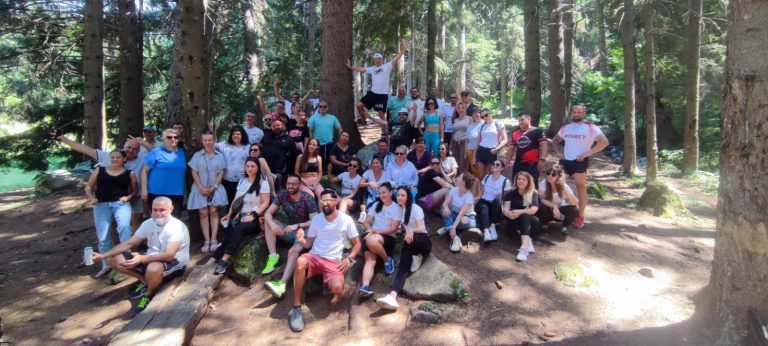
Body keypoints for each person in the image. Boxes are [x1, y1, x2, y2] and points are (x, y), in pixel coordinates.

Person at [92, 197, 190, 317]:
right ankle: (146, 282)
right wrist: (103, 255)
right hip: (150, 257)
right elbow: (129, 243)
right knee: (115, 260)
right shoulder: (148, 224)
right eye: (155, 210)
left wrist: (143, 259)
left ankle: (148, 294)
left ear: (171, 209)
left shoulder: (176, 227)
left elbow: (169, 255)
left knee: (153, 268)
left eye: (162, 210)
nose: (158, 213)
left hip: (175, 262)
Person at [289, 189, 362, 333]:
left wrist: (349, 258)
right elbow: (309, 244)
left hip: (333, 261)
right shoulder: (317, 219)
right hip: (314, 256)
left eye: (327, 200)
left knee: (337, 288)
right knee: (300, 262)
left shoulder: (346, 220)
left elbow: (358, 244)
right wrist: (301, 239)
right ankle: (296, 307)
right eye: (322, 201)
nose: (324, 204)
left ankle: (326, 283)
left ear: (336, 202)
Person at [55, 133, 145, 230]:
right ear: (124, 147)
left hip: (135, 195)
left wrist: (143, 142)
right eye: (129, 147)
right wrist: (65, 140)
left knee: (135, 222)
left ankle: (136, 244)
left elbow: (159, 153)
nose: (131, 150)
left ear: (138, 152)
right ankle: (116, 245)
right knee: (112, 224)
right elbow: (85, 149)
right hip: (111, 197)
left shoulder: (143, 158)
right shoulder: (109, 156)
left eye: (135, 149)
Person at [552, 105, 609, 228]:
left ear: (584, 114)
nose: (576, 115)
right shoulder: (566, 128)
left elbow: (604, 142)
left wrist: (587, 153)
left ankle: (580, 216)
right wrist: (557, 152)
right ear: (571, 114)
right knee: (557, 183)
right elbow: (555, 139)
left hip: (580, 161)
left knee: (580, 186)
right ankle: (561, 210)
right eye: (574, 112)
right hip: (565, 160)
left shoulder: (590, 127)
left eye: (579, 112)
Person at [262, 174, 319, 298]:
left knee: (293, 251)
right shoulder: (283, 195)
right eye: (288, 183)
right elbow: (268, 213)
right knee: (268, 221)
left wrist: (297, 226)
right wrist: (272, 225)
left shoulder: (307, 198)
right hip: (290, 230)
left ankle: (281, 285)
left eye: (293, 184)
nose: (290, 186)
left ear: (299, 185)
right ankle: (273, 256)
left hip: (305, 232)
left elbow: (314, 221)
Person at [210, 158, 271, 274]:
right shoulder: (242, 180)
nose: (250, 169)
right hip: (240, 216)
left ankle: (224, 260)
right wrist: (229, 215)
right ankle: (213, 259)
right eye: (248, 166)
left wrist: (253, 215)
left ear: (258, 168)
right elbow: (236, 200)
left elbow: (265, 202)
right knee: (229, 233)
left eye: (253, 166)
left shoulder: (263, 183)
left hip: (256, 218)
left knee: (239, 228)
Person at [375, 186, 431, 310]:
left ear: (408, 197)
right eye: (398, 195)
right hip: (409, 242)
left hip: (423, 242)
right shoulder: (401, 210)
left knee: (414, 237)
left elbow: (421, 228)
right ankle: (393, 296)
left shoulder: (416, 208)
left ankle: (418, 255)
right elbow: (401, 228)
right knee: (403, 268)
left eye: (403, 195)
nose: (399, 197)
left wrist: (410, 230)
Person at [85, 149, 137, 278]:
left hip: (120, 204)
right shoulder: (100, 171)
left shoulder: (129, 173)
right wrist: (91, 198)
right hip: (101, 205)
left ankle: (127, 259)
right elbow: (88, 186)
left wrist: (128, 197)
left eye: (118, 157)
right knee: (103, 236)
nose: (115, 160)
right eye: (112, 157)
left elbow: (135, 190)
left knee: (124, 228)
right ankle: (106, 265)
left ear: (124, 159)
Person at [346, 39, 409, 126]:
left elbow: (396, 58)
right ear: (374, 60)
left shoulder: (387, 66)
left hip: (382, 95)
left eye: (379, 58)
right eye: (376, 59)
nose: (377, 60)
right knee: (359, 105)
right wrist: (350, 67)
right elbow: (360, 69)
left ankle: (384, 134)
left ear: (382, 60)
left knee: (381, 115)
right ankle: (363, 119)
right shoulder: (372, 69)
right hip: (372, 93)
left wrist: (404, 49)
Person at [358, 182, 403, 298]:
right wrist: (370, 230)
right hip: (372, 236)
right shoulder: (376, 205)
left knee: (370, 240)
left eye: (384, 192)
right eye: (380, 193)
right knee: (370, 261)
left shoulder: (397, 208)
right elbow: (366, 222)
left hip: (387, 239)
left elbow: (393, 230)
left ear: (390, 192)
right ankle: (365, 287)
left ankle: (387, 259)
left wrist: (376, 232)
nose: (382, 195)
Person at [188, 131, 228, 253]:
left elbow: (221, 172)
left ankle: (214, 239)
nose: (207, 142)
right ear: (202, 141)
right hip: (200, 188)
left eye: (210, 140)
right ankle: (206, 240)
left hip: (215, 188)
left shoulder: (219, 155)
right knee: (203, 213)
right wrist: (201, 188)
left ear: (214, 140)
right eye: (205, 140)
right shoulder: (197, 155)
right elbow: (194, 171)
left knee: (214, 212)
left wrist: (214, 186)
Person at [141, 129, 186, 217]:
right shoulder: (156, 152)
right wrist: (144, 190)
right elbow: (144, 171)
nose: (173, 139)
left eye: (175, 137)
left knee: (174, 222)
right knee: (158, 221)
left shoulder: (182, 152)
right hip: (157, 193)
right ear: (163, 139)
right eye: (169, 137)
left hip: (177, 194)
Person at [436, 174, 481, 253]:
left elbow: (461, 213)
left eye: (459, 177)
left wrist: (453, 227)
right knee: (444, 211)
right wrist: (446, 207)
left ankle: (448, 227)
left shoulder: (469, 196)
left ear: (463, 182)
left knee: (463, 220)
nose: (456, 178)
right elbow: (445, 204)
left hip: (467, 218)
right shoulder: (454, 190)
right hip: (455, 215)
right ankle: (455, 238)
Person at [503, 172, 541, 262]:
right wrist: (507, 213)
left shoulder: (533, 193)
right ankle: (528, 241)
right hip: (514, 221)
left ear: (528, 181)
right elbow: (506, 208)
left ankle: (524, 249)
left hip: (532, 223)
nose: (521, 181)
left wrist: (520, 211)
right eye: (519, 179)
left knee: (524, 215)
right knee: (512, 217)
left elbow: (534, 210)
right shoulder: (510, 193)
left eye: (524, 179)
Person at [537, 165, 580, 235]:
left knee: (575, 210)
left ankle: (565, 225)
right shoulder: (544, 183)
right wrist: (554, 206)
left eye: (553, 174)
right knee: (542, 206)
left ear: (558, 177)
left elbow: (575, 202)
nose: (550, 176)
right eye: (548, 173)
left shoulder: (564, 186)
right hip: (549, 210)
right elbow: (541, 199)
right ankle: (545, 223)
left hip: (560, 211)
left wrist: (563, 186)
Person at [477, 160, 512, 243]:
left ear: (502, 168)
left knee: (497, 200)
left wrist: (505, 208)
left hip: (495, 206)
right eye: (493, 164)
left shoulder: (505, 181)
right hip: (484, 202)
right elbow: (481, 192)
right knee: (483, 206)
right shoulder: (487, 177)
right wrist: (475, 200)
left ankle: (492, 227)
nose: (494, 165)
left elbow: (506, 197)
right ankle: (486, 232)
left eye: (497, 164)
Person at [507, 113, 547, 185]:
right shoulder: (515, 133)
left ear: (529, 119)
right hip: (518, 164)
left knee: (532, 185)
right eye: (519, 121)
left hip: (532, 164)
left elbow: (544, 146)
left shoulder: (537, 131)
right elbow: (511, 149)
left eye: (522, 120)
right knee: (516, 184)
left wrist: (542, 160)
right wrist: (507, 162)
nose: (520, 122)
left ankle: (533, 196)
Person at [216, 126, 250, 206]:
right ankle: (229, 218)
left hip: (242, 180)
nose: (236, 136)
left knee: (241, 203)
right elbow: (211, 145)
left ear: (242, 135)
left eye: (238, 134)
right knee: (229, 202)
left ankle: (239, 218)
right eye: (234, 134)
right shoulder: (224, 145)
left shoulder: (248, 147)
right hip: (226, 180)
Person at [262, 119, 299, 187]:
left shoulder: (289, 139)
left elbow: (294, 153)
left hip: (278, 171)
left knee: (277, 191)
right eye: (274, 126)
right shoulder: (266, 136)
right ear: (271, 127)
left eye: (278, 125)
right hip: (264, 170)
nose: (276, 127)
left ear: (282, 126)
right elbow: (260, 149)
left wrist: (284, 157)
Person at [475, 108, 508, 178]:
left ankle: (493, 188)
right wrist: (474, 156)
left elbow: (505, 140)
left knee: (493, 175)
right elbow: (478, 142)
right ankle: (482, 189)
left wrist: (497, 149)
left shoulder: (498, 124)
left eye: (486, 115)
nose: (485, 118)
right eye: (482, 117)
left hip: (492, 151)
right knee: (481, 176)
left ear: (490, 113)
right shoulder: (481, 126)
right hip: (481, 151)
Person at [360, 156, 387, 223]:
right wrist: (369, 183)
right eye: (373, 163)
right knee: (361, 189)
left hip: (382, 196)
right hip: (371, 196)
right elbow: (360, 184)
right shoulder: (368, 172)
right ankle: (363, 213)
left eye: (377, 163)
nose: (375, 165)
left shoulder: (386, 174)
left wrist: (381, 187)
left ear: (381, 165)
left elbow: (390, 185)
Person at [449, 102, 469, 174]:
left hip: (464, 143)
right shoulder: (455, 120)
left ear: (465, 109)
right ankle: (457, 182)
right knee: (455, 164)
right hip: (455, 143)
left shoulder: (469, 119)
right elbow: (453, 133)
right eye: (459, 108)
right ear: (457, 109)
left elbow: (473, 131)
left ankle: (464, 182)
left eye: (462, 108)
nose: (460, 109)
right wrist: (451, 145)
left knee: (463, 164)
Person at [465, 108, 483, 179]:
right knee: (474, 170)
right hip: (470, 150)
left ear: (480, 114)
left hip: (481, 151)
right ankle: (476, 186)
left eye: (477, 113)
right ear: (472, 115)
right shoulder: (470, 126)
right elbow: (466, 139)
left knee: (482, 169)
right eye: (474, 113)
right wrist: (465, 151)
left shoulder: (484, 123)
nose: (476, 115)